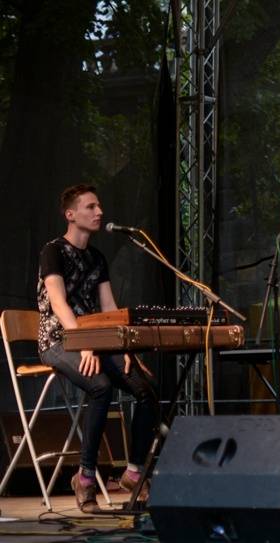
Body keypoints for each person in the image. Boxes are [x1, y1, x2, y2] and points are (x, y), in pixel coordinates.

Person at [37, 184, 158, 512]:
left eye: (99, 206)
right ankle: (86, 477)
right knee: (101, 386)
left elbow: (109, 309)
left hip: (94, 341)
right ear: (70, 214)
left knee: (146, 388)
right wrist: (85, 342)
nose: (99, 212)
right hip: (58, 340)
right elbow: (59, 304)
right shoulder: (53, 251)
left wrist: (125, 346)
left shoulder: (97, 258)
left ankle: (133, 473)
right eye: (91, 207)